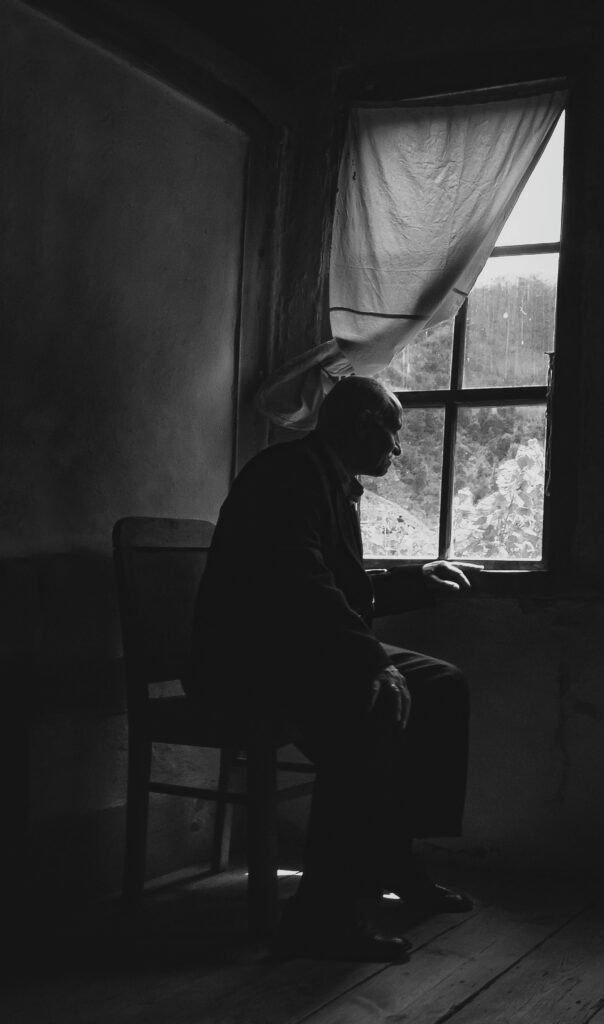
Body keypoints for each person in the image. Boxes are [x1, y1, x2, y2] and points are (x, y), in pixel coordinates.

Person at [185, 376, 476, 962]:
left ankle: (395, 860)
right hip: (250, 666)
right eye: (393, 433)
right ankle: (321, 914)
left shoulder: (329, 480)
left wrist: (416, 584)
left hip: (297, 654)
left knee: (441, 685)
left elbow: (336, 586)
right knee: (366, 704)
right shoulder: (288, 475)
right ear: (364, 423)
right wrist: (371, 659)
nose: (396, 449)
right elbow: (301, 584)